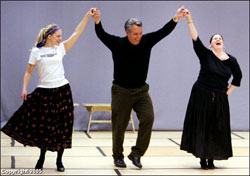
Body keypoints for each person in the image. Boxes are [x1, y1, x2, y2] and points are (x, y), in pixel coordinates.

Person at [2, 8, 96, 172]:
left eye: (61, 36)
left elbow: (76, 33)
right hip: (44, 93)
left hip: (63, 91)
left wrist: (87, 16)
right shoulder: (36, 52)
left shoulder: (60, 48)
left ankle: (59, 161)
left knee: (63, 126)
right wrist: (24, 88)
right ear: (50, 36)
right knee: (45, 128)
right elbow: (28, 72)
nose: (61, 38)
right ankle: (42, 158)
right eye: (58, 35)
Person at [92, 7, 185, 168]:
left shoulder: (146, 41)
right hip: (121, 91)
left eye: (140, 33)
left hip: (141, 91)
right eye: (135, 34)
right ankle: (118, 156)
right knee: (119, 125)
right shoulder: (117, 43)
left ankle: (136, 153)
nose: (138, 37)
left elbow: (163, 32)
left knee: (148, 117)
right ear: (127, 32)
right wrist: (97, 21)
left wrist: (175, 18)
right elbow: (102, 35)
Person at [180, 8, 242, 170]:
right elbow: (195, 38)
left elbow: (238, 77)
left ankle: (212, 158)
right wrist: (189, 19)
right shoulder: (206, 54)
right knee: (203, 125)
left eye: (220, 38)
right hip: (201, 94)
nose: (217, 39)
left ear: (223, 43)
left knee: (216, 127)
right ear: (210, 44)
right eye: (214, 38)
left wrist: (228, 92)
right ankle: (203, 157)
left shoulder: (231, 60)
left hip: (220, 97)